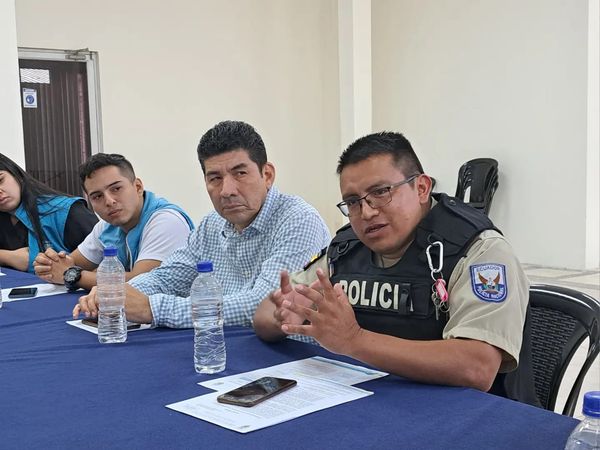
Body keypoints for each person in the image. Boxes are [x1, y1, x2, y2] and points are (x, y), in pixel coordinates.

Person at [253, 131, 539, 406]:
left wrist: (354, 341)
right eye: (352, 202)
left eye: (380, 192)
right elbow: (265, 314)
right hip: (378, 404)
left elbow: (476, 366)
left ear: (422, 188)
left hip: (476, 415)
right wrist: (283, 317)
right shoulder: (346, 248)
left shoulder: (479, 249)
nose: (367, 212)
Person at [73, 120, 331, 328]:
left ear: (267, 175)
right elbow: (169, 277)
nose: (227, 190)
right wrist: (117, 293)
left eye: (240, 173)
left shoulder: (298, 220)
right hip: (223, 346)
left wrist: (152, 308)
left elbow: (264, 306)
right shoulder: (212, 224)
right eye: (215, 178)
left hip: (290, 360)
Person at [34, 153, 194, 290]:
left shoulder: (167, 221)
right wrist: (50, 264)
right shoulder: (106, 226)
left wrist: (72, 275)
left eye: (116, 189)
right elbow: (71, 262)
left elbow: (141, 283)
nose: (109, 201)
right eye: (97, 196)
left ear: (138, 187)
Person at [0, 153, 97, 272]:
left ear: (16, 174)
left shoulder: (67, 211)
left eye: (0, 180)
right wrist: (7, 257)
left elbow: (106, 260)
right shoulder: (5, 217)